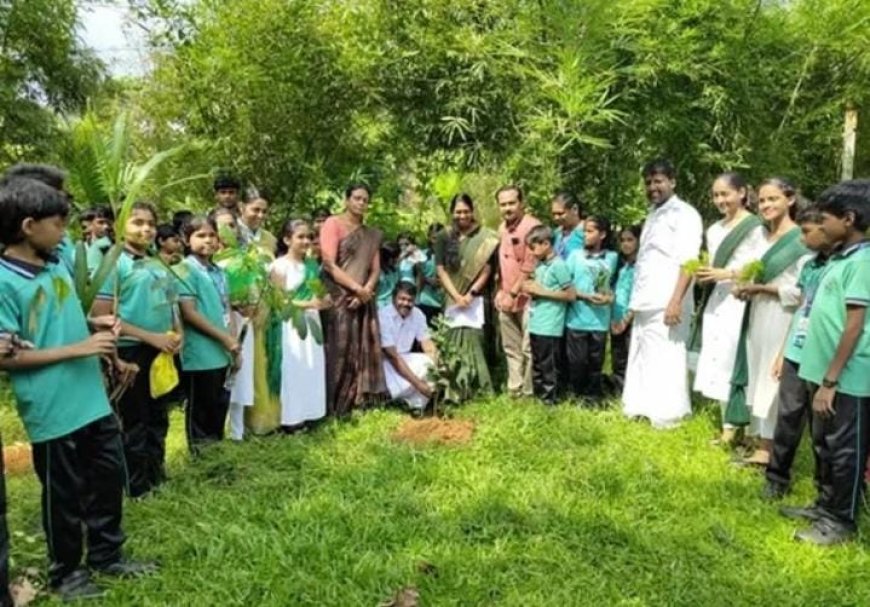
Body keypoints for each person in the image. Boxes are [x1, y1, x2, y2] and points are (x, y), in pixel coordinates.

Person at [0, 178, 155, 601]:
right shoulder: (4, 282)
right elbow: (6, 356)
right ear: (28, 226)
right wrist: (79, 348)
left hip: (91, 398)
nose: (65, 233)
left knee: (107, 477)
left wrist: (93, 326)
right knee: (64, 495)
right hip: (52, 407)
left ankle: (107, 555)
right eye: (58, 224)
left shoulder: (54, 267)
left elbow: (55, 319)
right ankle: (66, 573)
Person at [786, 180, 870, 545]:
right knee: (824, 444)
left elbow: (854, 326)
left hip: (848, 378)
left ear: (848, 219)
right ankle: (824, 505)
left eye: (825, 219)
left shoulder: (863, 262)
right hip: (823, 373)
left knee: (845, 449)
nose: (819, 226)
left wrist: (832, 380)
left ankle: (841, 522)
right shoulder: (839, 259)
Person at [92, 201, 183, 498]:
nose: (146, 229)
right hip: (130, 353)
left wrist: (177, 332)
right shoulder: (114, 263)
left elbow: (171, 303)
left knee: (158, 417)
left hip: (162, 351)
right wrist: (150, 337)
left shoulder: (157, 262)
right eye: (138, 222)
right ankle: (137, 486)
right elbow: (102, 315)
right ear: (120, 226)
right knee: (135, 421)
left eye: (151, 223)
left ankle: (157, 475)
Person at [728, 178, 807, 466]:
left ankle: (770, 448)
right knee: (756, 373)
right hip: (757, 314)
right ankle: (759, 440)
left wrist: (764, 289)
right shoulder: (761, 237)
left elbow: (803, 291)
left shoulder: (801, 240)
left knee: (773, 379)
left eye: (773, 199)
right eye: (761, 200)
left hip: (782, 316)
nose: (766, 205)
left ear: (790, 199)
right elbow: (750, 272)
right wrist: (744, 288)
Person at [622, 159, 703, 428]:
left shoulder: (685, 214)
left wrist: (675, 301)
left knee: (667, 355)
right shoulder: (653, 214)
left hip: (668, 298)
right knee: (643, 354)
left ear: (672, 182)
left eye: (658, 181)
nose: (653, 187)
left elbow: (689, 260)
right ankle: (641, 408)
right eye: (648, 182)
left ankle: (669, 414)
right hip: (646, 298)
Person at [762, 207, 833, 499]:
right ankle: (776, 478)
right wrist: (784, 351)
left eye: (806, 232)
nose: (802, 239)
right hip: (796, 352)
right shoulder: (810, 266)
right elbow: (802, 309)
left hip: (822, 356)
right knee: (787, 418)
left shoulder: (842, 266)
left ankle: (826, 490)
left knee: (822, 429)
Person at [692, 173, 766, 445]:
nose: (720, 200)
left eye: (725, 194)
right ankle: (728, 425)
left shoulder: (757, 227)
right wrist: (705, 275)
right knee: (720, 360)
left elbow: (761, 265)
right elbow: (714, 265)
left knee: (743, 360)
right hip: (718, 300)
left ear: (742, 193)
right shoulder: (713, 230)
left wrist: (729, 273)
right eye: (716, 195)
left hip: (745, 299)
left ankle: (753, 430)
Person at [320, 182, 386, 416]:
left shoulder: (372, 234)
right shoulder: (333, 224)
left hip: (362, 298)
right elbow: (329, 264)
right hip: (338, 296)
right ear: (347, 200)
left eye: (365, 200)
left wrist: (365, 291)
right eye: (357, 198)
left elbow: (375, 269)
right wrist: (357, 289)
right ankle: (332, 405)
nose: (361, 203)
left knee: (359, 348)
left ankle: (357, 401)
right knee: (338, 349)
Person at [177, 216, 239, 452]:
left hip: (223, 350)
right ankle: (200, 456)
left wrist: (234, 343)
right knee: (201, 407)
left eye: (212, 235)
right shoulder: (185, 270)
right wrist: (225, 338)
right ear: (186, 239)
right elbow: (189, 313)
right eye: (201, 235)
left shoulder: (219, 271)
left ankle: (217, 452)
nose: (208, 240)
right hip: (200, 352)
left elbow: (227, 308)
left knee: (218, 404)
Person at [434, 194, 499, 403]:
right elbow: (440, 269)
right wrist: (455, 296)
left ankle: (478, 388)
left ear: (472, 211)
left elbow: (487, 269)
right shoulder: (443, 236)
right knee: (452, 342)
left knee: (475, 341)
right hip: (451, 298)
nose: (462, 216)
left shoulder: (486, 237)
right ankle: (453, 390)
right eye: (458, 212)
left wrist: (470, 294)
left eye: (466, 211)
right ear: (452, 213)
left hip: (475, 300)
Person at [270, 219, 328, 429]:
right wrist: (308, 304)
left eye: (309, 237)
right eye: (300, 237)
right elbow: (276, 302)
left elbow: (318, 292)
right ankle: (291, 418)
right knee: (293, 368)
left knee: (311, 366)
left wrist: (324, 299)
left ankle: (311, 412)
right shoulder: (279, 266)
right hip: (290, 325)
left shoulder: (311, 265)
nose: (306, 241)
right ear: (287, 240)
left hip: (312, 322)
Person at [494, 185, 541, 397]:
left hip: (529, 297)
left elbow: (529, 266)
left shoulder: (533, 227)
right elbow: (500, 265)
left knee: (529, 347)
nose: (507, 208)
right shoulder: (501, 229)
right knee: (511, 346)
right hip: (505, 296)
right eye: (503, 204)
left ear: (521, 203)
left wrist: (512, 293)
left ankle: (529, 392)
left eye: (512, 203)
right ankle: (515, 388)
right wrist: (500, 291)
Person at [565, 216, 618, 399]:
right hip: (577, 319)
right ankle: (576, 396)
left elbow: (617, 285)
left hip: (600, 321)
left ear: (602, 234)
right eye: (584, 231)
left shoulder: (612, 258)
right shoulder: (575, 256)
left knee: (596, 363)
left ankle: (593, 398)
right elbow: (565, 285)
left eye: (589, 231)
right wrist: (585, 296)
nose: (585, 235)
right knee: (577, 362)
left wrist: (610, 298)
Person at [522, 226, 575, 404]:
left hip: (550, 325)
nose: (532, 252)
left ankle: (550, 401)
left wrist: (542, 292)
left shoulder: (559, 265)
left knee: (549, 365)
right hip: (536, 322)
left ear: (546, 244)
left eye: (533, 247)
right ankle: (539, 399)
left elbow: (571, 295)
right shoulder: (540, 265)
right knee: (537, 364)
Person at [379, 283, 438, 413]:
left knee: (428, 363)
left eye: (410, 300)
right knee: (411, 382)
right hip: (386, 362)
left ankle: (414, 405)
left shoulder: (418, 314)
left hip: (405, 359)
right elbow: (393, 356)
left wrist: (439, 368)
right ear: (393, 298)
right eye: (402, 299)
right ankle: (395, 398)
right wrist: (419, 384)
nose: (406, 303)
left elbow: (427, 344)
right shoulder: (383, 316)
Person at [609, 225, 641, 392]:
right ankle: (617, 390)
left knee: (630, 356)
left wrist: (625, 320)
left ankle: (630, 391)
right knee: (617, 357)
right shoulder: (620, 266)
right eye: (622, 240)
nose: (626, 244)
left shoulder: (641, 267)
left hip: (632, 319)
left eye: (630, 240)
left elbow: (639, 296)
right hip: (615, 317)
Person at [415, 223, 445, 326]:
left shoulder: (448, 255)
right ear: (428, 237)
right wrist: (427, 280)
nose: (436, 240)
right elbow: (417, 276)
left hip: (442, 301)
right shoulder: (421, 254)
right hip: (425, 299)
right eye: (433, 237)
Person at [237, 187, 278, 255]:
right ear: (241, 207)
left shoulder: (271, 240)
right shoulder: (230, 234)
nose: (260, 215)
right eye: (256, 210)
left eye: (264, 212)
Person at [551, 191, 585, 260]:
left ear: (575, 209)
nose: (556, 218)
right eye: (554, 214)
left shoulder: (587, 232)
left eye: (560, 214)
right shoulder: (556, 234)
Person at [377, 241, 400, 308]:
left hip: (393, 304)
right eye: (395, 257)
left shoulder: (395, 270)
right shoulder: (377, 273)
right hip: (380, 306)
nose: (397, 260)